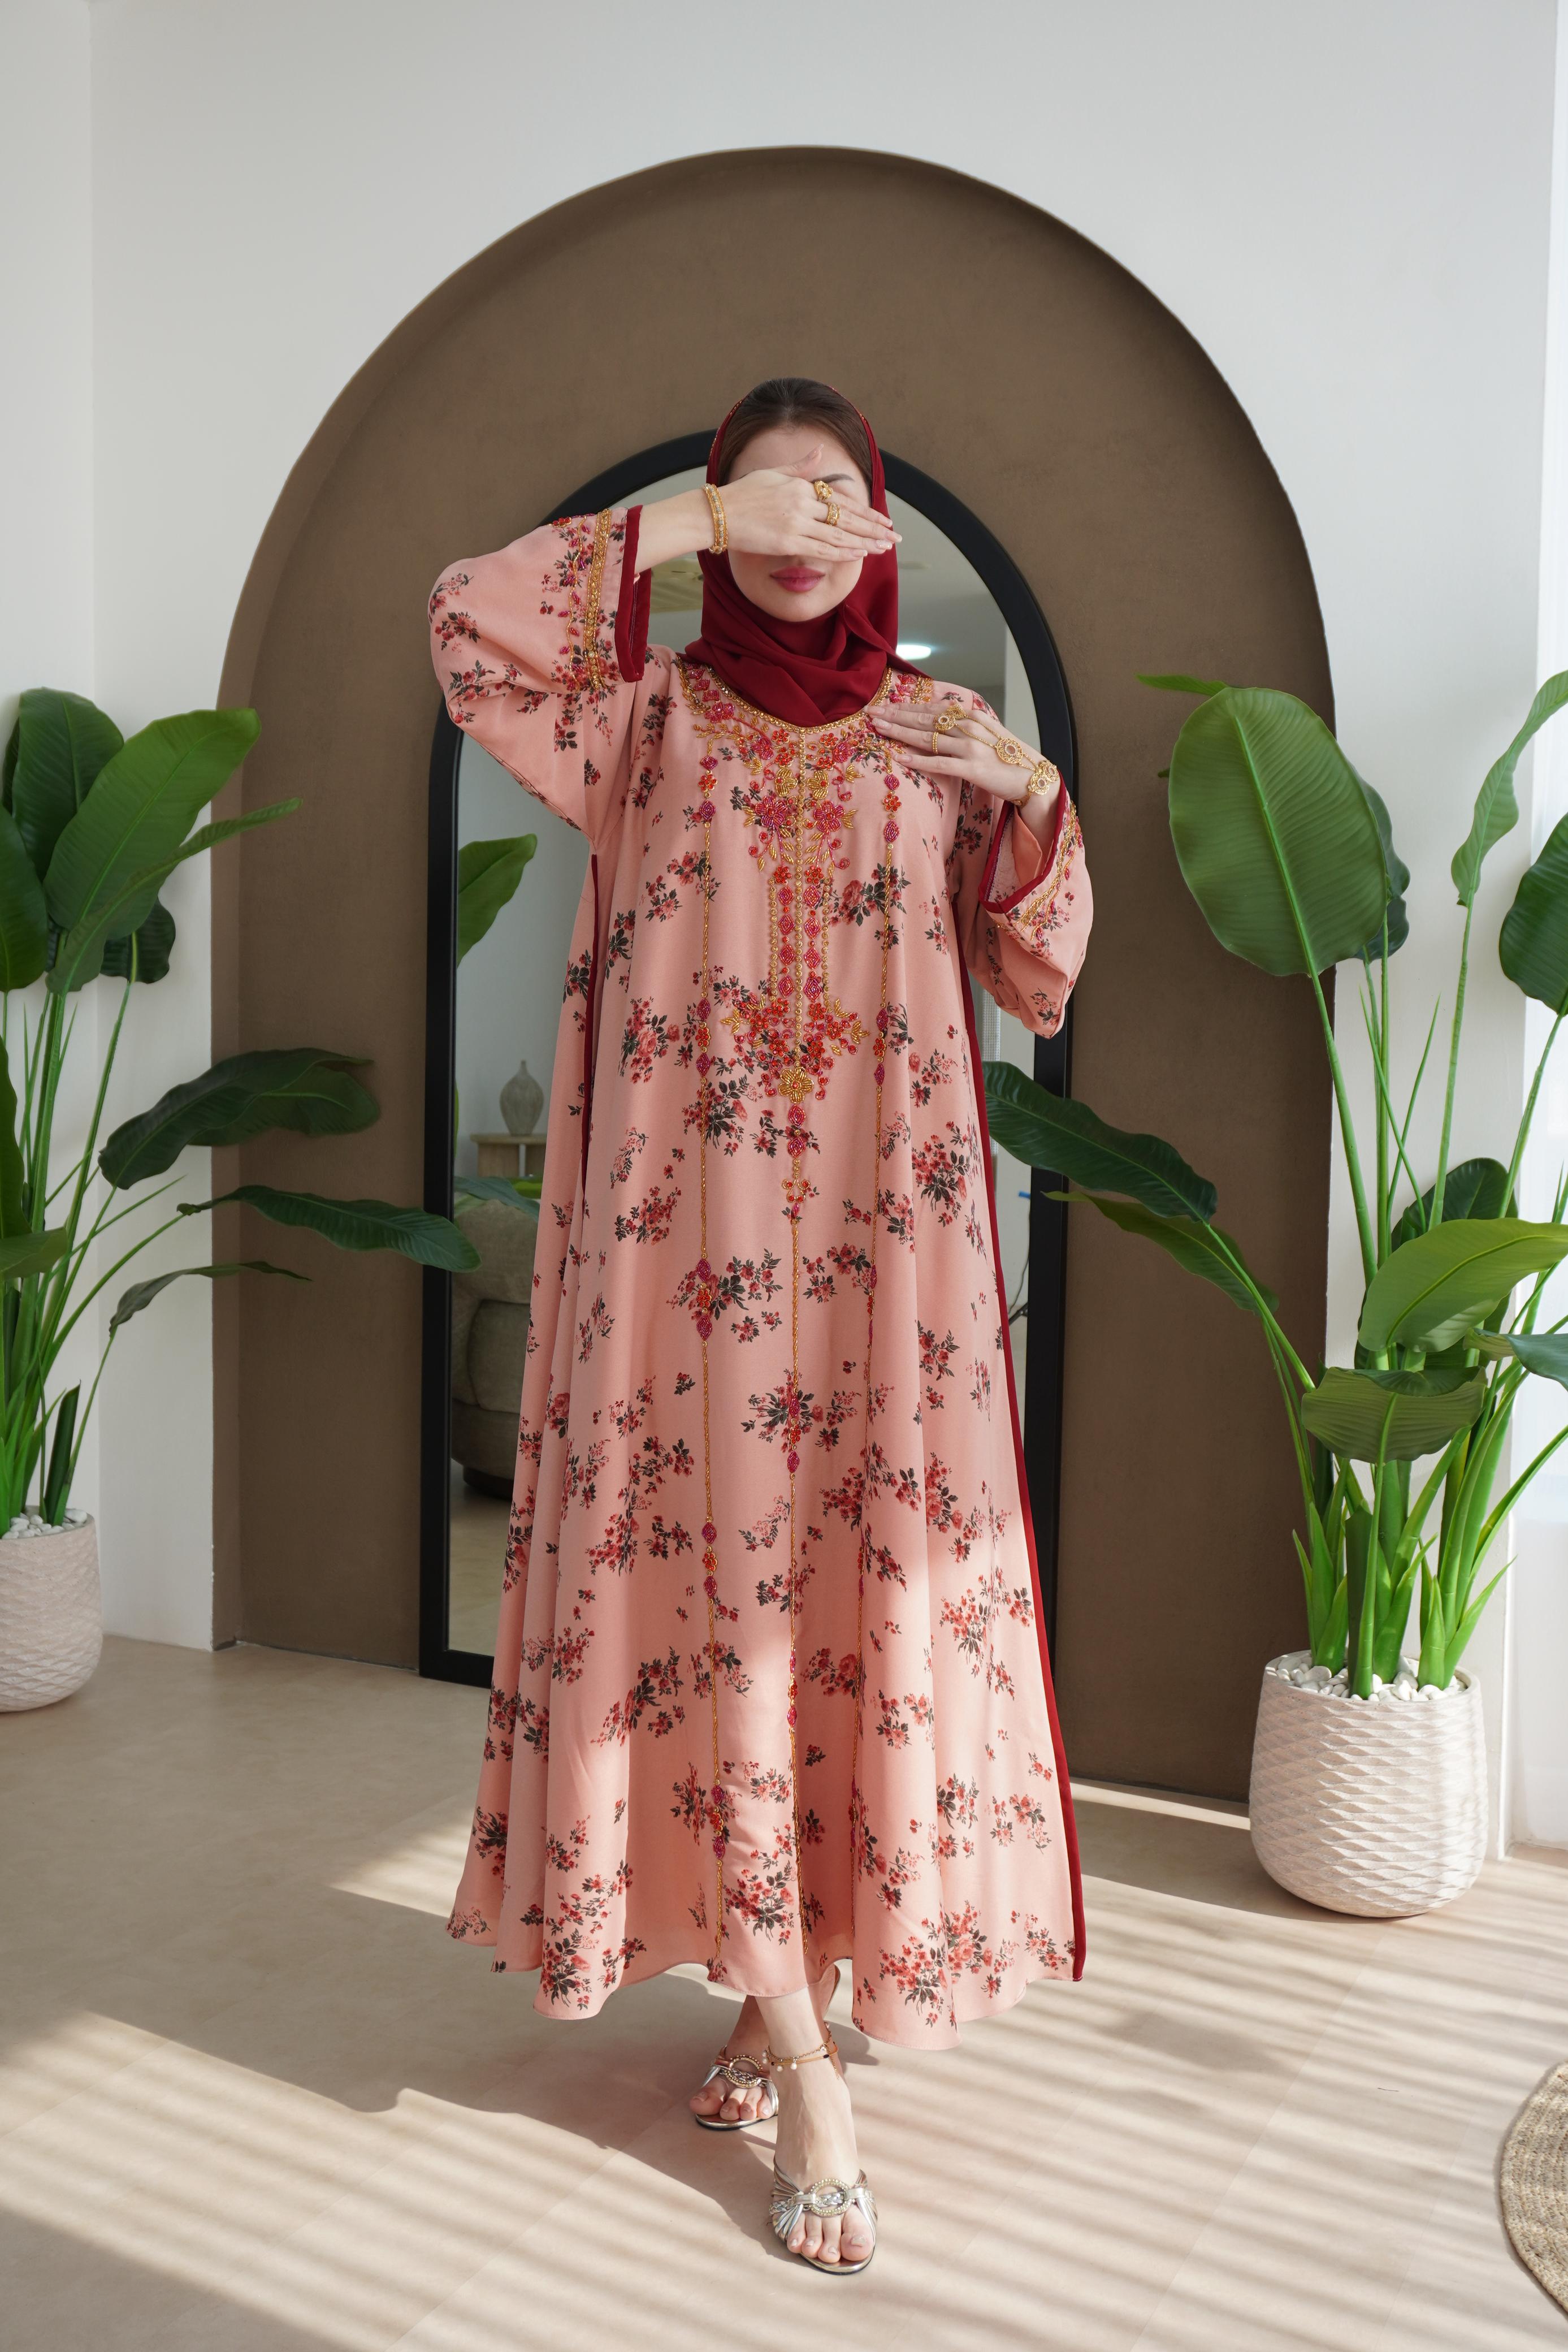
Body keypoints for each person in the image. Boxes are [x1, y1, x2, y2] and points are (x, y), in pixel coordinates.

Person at [429, 378, 1092, 2273]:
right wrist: (692, 522)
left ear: (882, 527)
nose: (803, 531)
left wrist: (1029, 795)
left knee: (845, 1619)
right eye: (764, 500)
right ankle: (808, 2070)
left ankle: (768, 1980)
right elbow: (470, 622)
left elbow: (1035, 971)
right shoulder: (638, 724)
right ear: (723, 520)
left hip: (887, 1277)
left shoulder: (930, 745)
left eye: (834, 498)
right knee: (708, 1597)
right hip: (680, 1280)